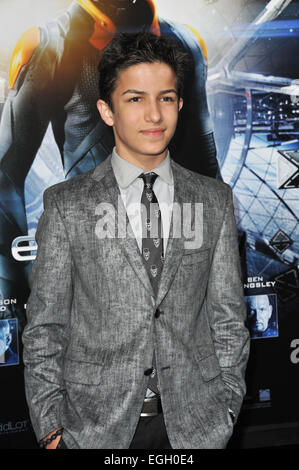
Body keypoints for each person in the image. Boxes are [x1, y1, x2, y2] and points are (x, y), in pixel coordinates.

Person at [22, 31, 249, 449]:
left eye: (165, 98)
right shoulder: (66, 206)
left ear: (181, 104)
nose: (154, 115)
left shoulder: (214, 200)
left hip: (196, 429)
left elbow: (229, 319)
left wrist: (227, 408)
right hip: (93, 431)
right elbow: (45, 328)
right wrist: (52, 430)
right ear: (107, 111)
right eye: (135, 99)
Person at [0, 0, 219, 326]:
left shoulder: (184, 43)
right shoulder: (52, 46)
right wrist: (17, 296)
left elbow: (207, 171)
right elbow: (6, 177)